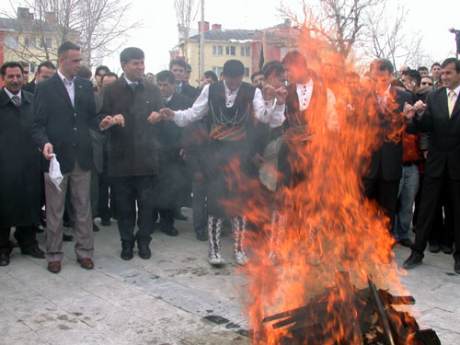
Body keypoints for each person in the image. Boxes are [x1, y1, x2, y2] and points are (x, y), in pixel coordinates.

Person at [157, 59, 286, 266]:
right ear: (224, 76)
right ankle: (214, 250)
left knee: (239, 202)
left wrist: (277, 102)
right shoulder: (210, 89)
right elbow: (193, 113)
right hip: (215, 153)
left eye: (237, 79)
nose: (233, 83)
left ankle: (239, 249)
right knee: (216, 201)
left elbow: (265, 118)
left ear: (241, 77)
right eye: (230, 79)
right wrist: (174, 115)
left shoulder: (253, 91)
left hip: (240, 154)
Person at [32, 42, 98, 274]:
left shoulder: (84, 85)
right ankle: (54, 255)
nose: (79, 65)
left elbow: (91, 118)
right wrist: (44, 143)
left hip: (82, 157)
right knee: (55, 210)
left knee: (83, 208)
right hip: (56, 160)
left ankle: (85, 253)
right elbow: (37, 125)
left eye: (80, 60)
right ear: (62, 60)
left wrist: (105, 122)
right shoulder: (45, 87)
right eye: (75, 61)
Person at [99, 47, 163, 261]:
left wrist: (158, 116)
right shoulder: (111, 90)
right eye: (136, 63)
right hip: (121, 159)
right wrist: (109, 120)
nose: (141, 67)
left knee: (147, 206)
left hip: (147, 159)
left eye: (142, 62)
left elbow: (162, 114)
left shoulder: (153, 89)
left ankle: (144, 241)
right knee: (124, 207)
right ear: (124, 65)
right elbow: (101, 118)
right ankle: (126, 242)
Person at [403, 58, 460, 274]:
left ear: (459, 74)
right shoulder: (434, 96)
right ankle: (417, 252)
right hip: (435, 163)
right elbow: (425, 125)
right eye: (442, 73)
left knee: (456, 211)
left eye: (449, 73)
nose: (444, 76)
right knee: (426, 209)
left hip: (457, 164)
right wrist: (414, 117)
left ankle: (458, 256)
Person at [0, 62, 45, 266]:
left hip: (30, 163)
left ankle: (28, 241)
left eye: (18, 76)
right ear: (4, 78)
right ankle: (2, 247)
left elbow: (40, 127)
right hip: (4, 165)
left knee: (31, 203)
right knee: (4, 205)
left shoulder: (33, 100)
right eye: (11, 76)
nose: (16, 80)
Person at [363, 59, 413, 233]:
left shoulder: (404, 97)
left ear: (391, 76)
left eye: (383, 79)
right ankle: (362, 245)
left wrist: (409, 117)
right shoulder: (362, 96)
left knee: (387, 208)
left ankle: (384, 246)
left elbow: (411, 128)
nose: (379, 83)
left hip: (390, 163)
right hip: (368, 162)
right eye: (375, 78)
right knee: (364, 207)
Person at [154, 70, 193, 236]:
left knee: (170, 188)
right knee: (154, 187)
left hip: (175, 151)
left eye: (165, 85)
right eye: (160, 85)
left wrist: (185, 145)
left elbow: (190, 126)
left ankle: (167, 223)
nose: (162, 88)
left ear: (174, 85)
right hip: (154, 150)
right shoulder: (152, 101)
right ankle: (151, 219)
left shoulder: (184, 101)